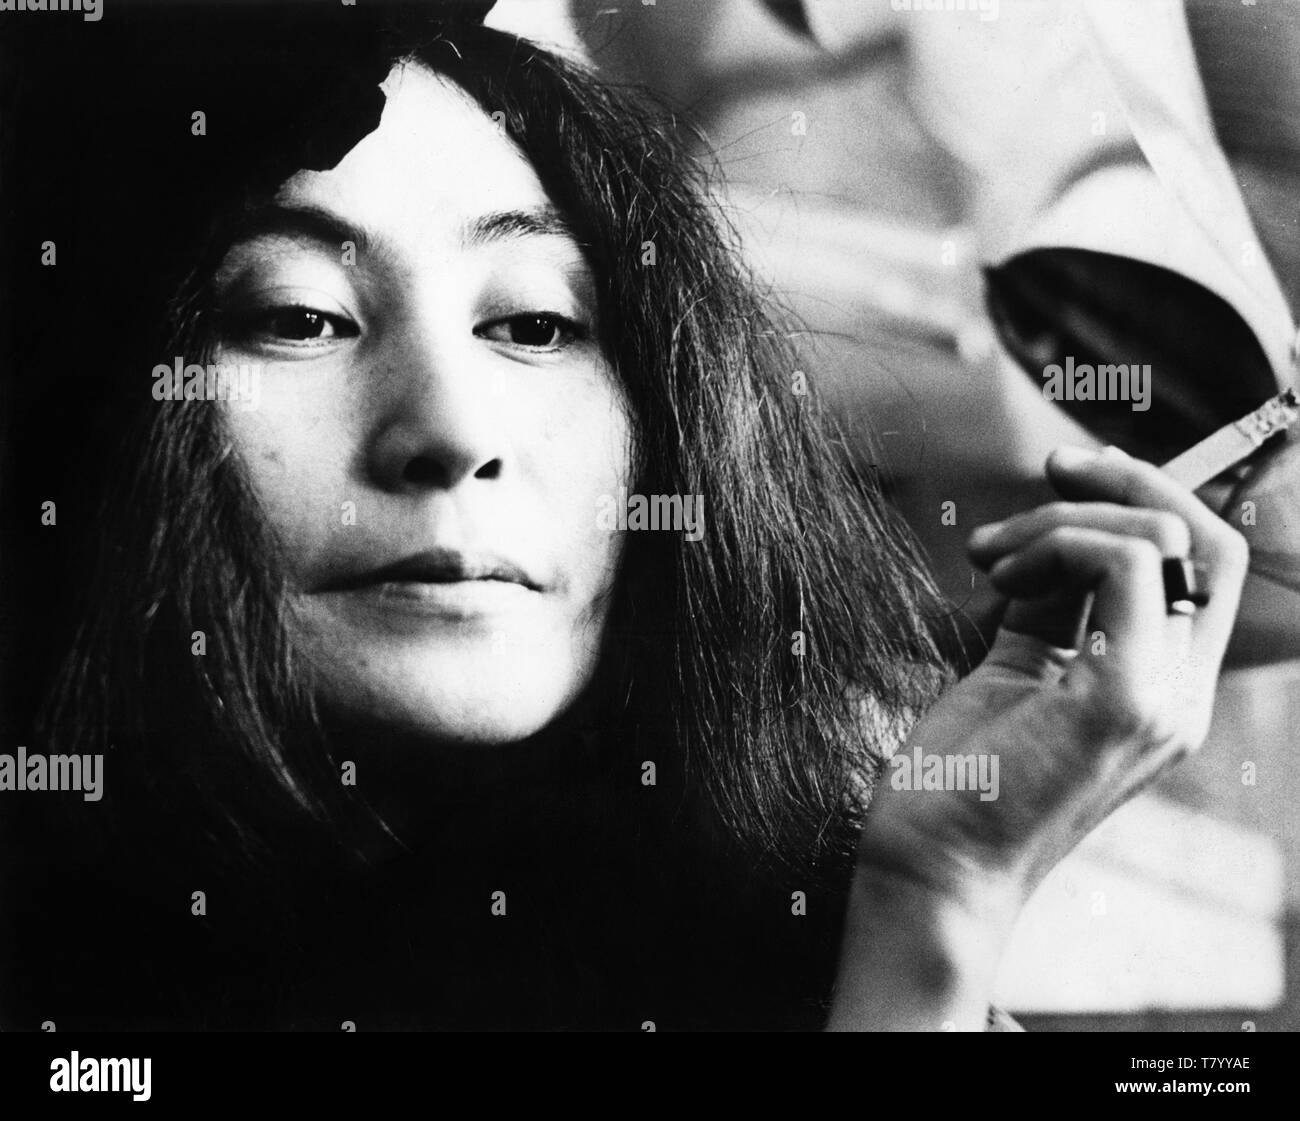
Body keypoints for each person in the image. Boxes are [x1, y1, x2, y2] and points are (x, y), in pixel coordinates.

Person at [0, 2, 1247, 1031]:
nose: (451, 429)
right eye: (297, 316)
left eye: (535, 325)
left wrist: (937, 903)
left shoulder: (829, 930)